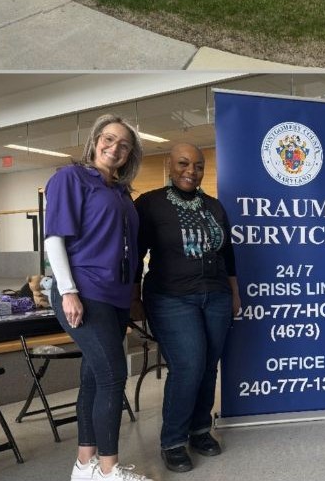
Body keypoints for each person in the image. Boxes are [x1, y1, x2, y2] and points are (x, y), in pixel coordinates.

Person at [42, 114, 149, 481]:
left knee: (93, 377)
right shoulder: (69, 178)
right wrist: (68, 291)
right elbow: (54, 238)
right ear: (95, 139)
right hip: (84, 291)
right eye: (108, 138)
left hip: (115, 296)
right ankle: (108, 470)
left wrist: (133, 294)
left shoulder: (121, 191)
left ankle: (84, 464)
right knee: (113, 376)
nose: (114, 148)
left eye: (124, 145)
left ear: (130, 154)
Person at [135, 142, 237, 473]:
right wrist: (133, 300)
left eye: (197, 166)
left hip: (217, 295)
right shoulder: (150, 204)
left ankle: (200, 430)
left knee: (209, 365)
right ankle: (173, 440)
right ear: (169, 164)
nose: (190, 171)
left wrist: (234, 292)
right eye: (182, 164)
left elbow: (228, 254)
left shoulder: (214, 206)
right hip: (171, 297)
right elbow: (135, 255)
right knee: (189, 364)